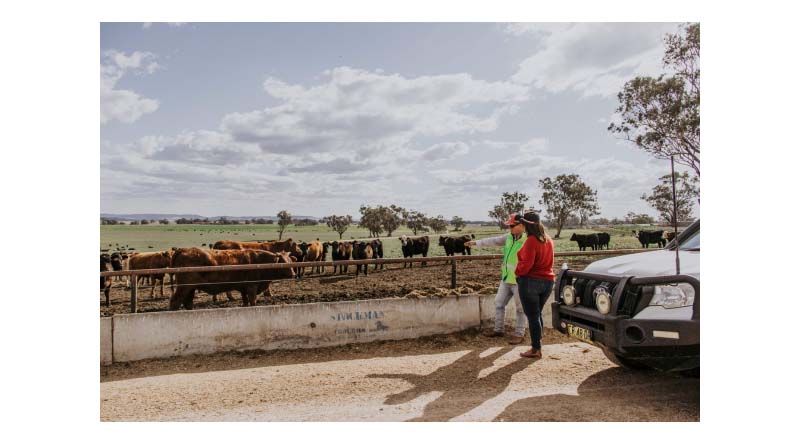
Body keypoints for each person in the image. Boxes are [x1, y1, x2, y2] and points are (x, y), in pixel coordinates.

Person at [465, 213, 528, 344]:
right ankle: (498, 330)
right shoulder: (509, 237)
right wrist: (476, 243)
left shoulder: (528, 240)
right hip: (506, 279)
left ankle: (519, 334)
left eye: (512, 225)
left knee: (521, 308)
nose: (510, 228)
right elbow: (493, 240)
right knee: (499, 304)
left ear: (522, 225)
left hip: (519, 280)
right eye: (509, 226)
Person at [514, 210, 555, 359]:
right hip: (548, 281)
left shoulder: (531, 240)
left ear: (526, 225)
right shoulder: (548, 239)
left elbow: (526, 264)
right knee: (537, 314)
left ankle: (536, 349)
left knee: (532, 316)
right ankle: (538, 345)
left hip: (531, 281)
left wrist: (518, 274)